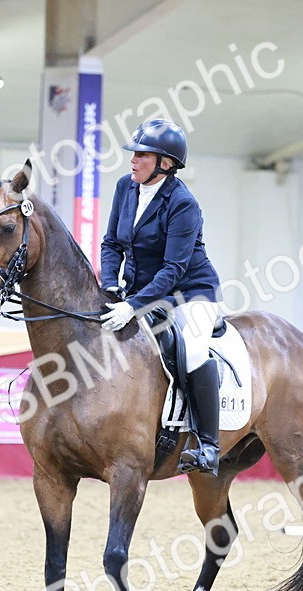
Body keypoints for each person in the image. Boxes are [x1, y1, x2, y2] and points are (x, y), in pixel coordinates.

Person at [99, 118, 223, 475]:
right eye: (134, 154)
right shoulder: (126, 187)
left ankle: (208, 445)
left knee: (194, 347)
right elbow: (110, 243)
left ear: (165, 163)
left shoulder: (183, 203)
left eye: (142, 155)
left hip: (190, 293)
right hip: (139, 292)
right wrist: (110, 287)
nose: (133, 160)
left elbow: (173, 269)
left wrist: (132, 306)